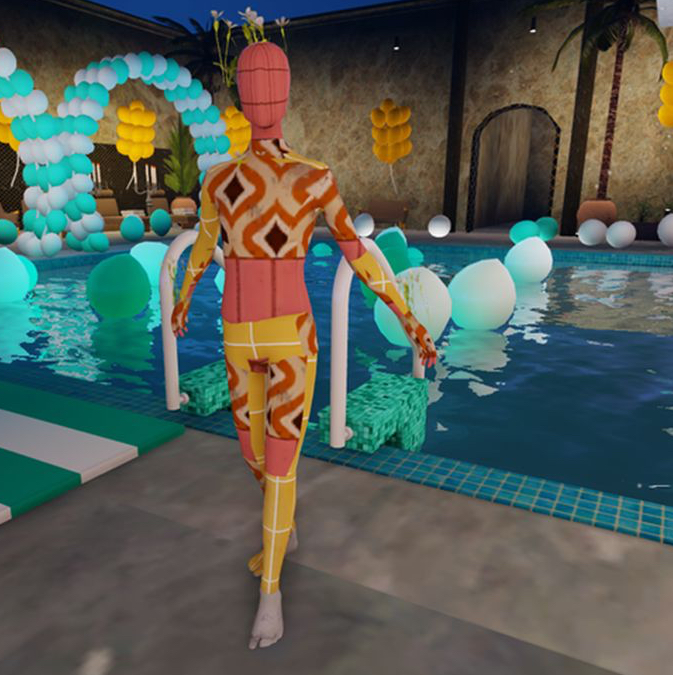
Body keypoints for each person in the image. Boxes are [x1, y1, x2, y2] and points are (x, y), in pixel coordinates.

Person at [171, 40, 437, 650]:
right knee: (252, 456)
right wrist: (183, 297)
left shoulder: (315, 177)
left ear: (285, 95)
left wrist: (407, 316)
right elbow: (206, 245)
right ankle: (281, 523)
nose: (264, 96)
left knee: (281, 462)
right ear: (243, 97)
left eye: (272, 84)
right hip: (237, 338)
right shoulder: (218, 180)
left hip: (293, 337)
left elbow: (358, 254)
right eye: (253, 84)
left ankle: (271, 592)